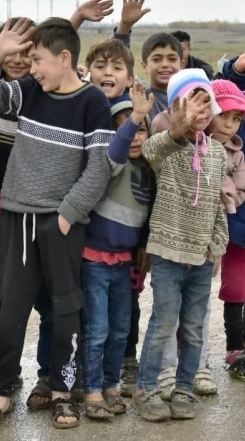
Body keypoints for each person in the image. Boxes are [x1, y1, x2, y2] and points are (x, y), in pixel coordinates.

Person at [0, 17, 113, 433]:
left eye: (38, 60)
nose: (31, 68)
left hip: (61, 224)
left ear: (64, 58)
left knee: (64, 311)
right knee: (9, 309)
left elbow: (98, 168)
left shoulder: (92, 103)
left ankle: (62, 391)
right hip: (16, 218)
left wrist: (66, 216)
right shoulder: (29, 91)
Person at [133, 72, 228, 422]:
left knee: (191, 326)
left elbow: (217, 202)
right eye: (192, 103)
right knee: (163, 322)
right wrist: (176, 127)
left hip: (201, 257)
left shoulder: (217, 152)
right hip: (168, 255)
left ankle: (185, 387)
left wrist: (217, 242)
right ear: (176, 107)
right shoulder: (167, 146)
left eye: (207, 104)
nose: (200, 112)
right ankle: (147, 388)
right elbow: (149, 149)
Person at [81, 83, 155, 420]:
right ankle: (92, 389)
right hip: (94, 261)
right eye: (126, 128)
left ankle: (110, 385)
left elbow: (145, 214)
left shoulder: (149, 171)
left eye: (141, 128)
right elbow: (117, 150)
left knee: (120, 330)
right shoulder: (111, 163)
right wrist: (134, 118)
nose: (135, 136)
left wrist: (142, 247)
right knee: (96, 330)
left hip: (124, 264)